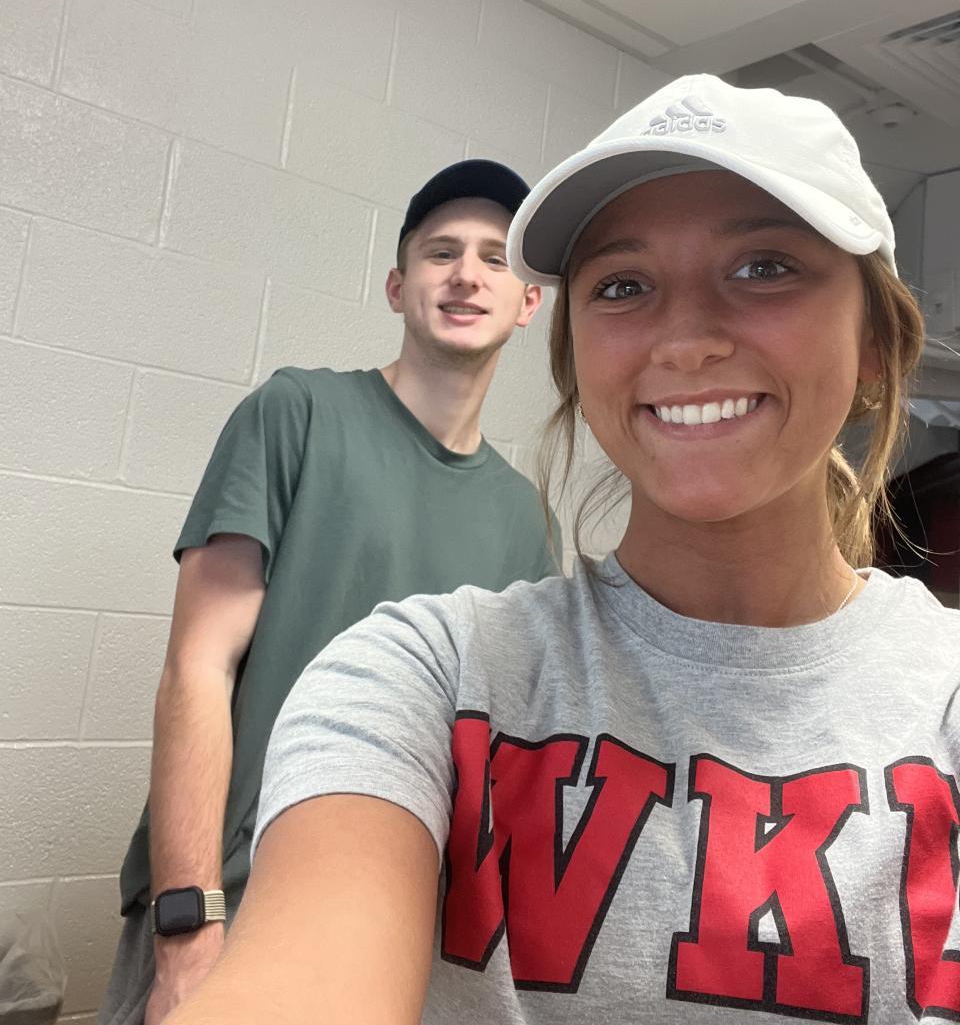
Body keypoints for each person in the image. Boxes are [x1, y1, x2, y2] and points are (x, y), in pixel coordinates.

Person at [168, 75, 959, 1025]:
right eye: (623, 286)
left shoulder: (943, 697)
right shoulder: (426, 670)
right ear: (578, 355)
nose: (686, 339)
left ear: (874, 341)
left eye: (764, 267)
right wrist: (188, 914)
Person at [99, 159, 559, 1025]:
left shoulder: (526, 520)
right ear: (397, 286)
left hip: (402, 940)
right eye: (441, 253)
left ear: (528, 302)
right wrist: (188, 926)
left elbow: (505, 766)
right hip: (232, 907)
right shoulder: (296, 414)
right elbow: (197, 667)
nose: (466, 274)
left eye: (495, 258)